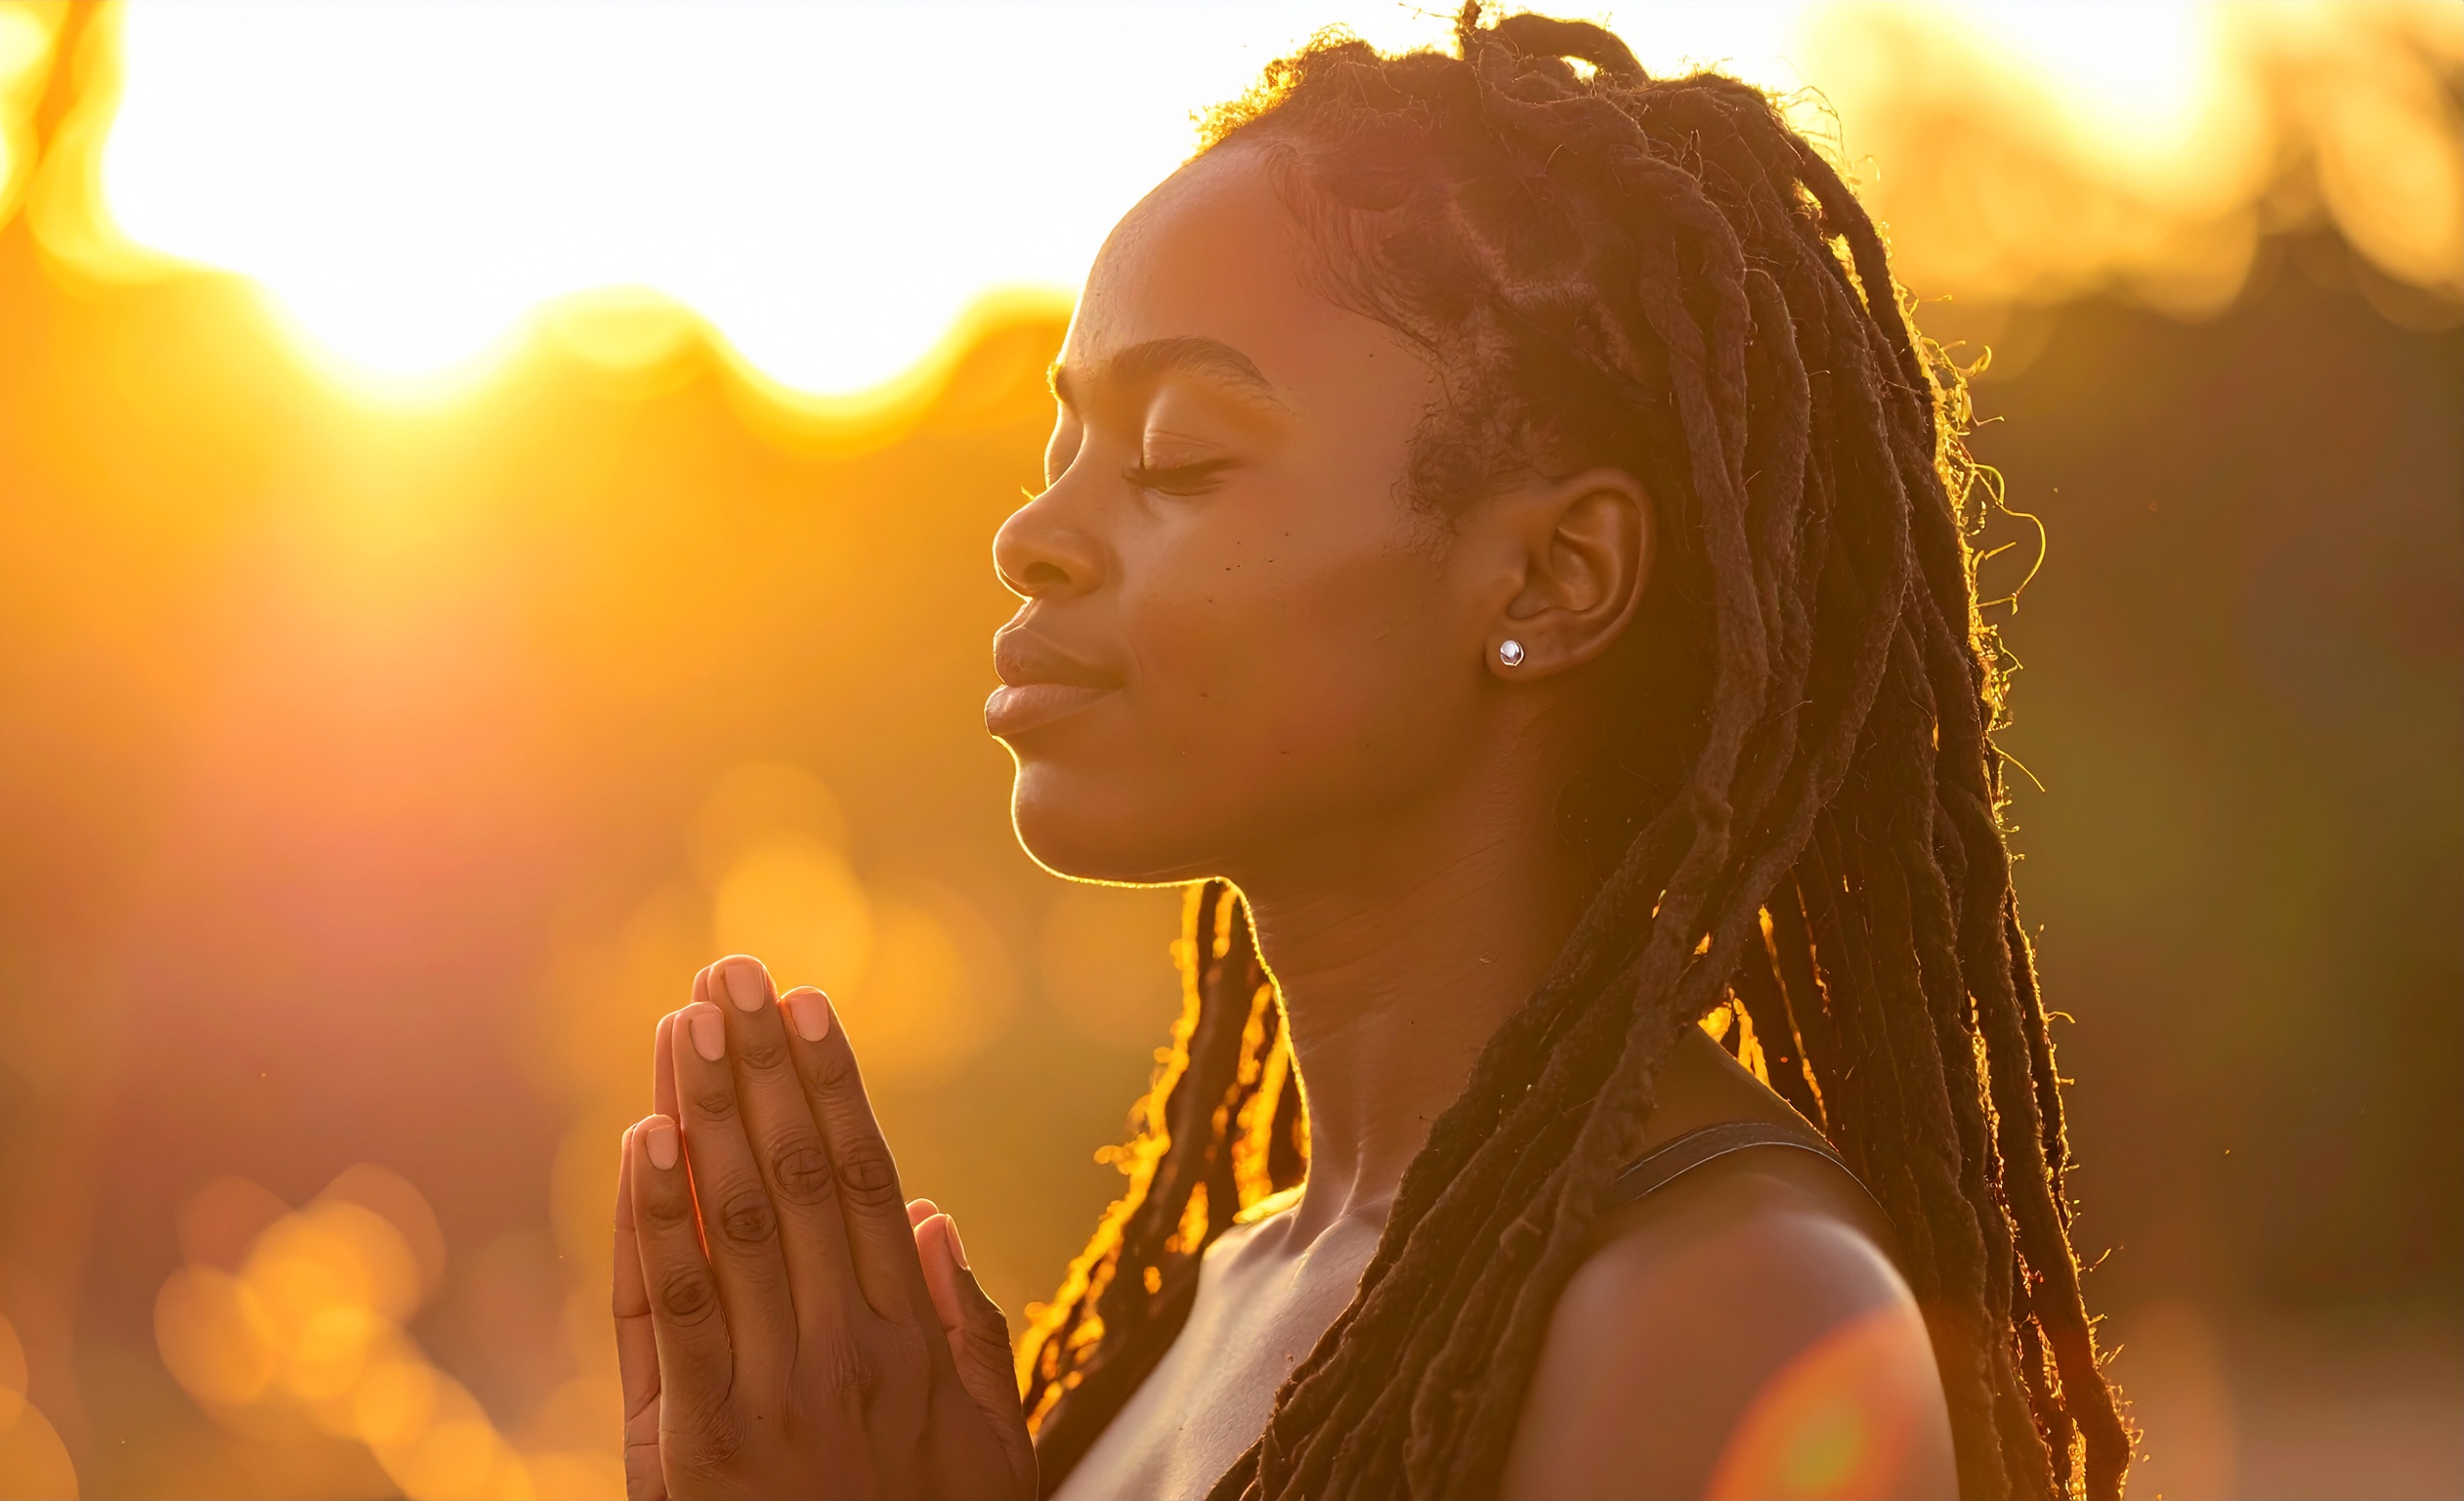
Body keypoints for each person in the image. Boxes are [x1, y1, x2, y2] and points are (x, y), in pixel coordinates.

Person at [610, 11, 2128, 1499]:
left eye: (1179, 458)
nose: (1031, 538)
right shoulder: (1214, 1302)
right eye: (1061, 447)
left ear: (1550, 577)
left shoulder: (1732, 1311)